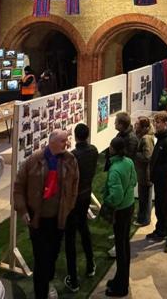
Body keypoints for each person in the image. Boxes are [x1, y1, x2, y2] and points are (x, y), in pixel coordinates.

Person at [14, 130, 79, 299]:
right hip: (38, 220)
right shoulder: (34, 160)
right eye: (64, 140)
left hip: (58, 219)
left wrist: (69, 206)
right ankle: (41, 293)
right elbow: (19, 187)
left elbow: (74, 185)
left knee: (53, 254)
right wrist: (22, 210)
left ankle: (47, 281)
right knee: (41, 259)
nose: (67, 143)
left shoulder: (70, 160)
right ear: (53, 142)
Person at [63, 124, 98, 293]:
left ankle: (73, 279)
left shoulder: (73, 156)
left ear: (75, 137)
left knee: (70, 238)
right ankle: (90, 265)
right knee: (84, 229)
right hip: (85, 195)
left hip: (74, 200)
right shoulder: (93, 150)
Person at [102, 136, 137, 298]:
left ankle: (121, 287)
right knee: (124, 245)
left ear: (113, 149)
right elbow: (134, 181)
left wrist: (107, 201)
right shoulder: (129, 162)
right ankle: (120, 279)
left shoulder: (115, 169)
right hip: (129, 206)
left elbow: (115, 196)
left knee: (121, 248)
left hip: (121, 210)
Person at [147, 112, 167, 253]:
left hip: (166, 182)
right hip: (159, 181)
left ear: (166, 123)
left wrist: (158, 173)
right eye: (155, 122)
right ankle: (160, 231)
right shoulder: (161, 138)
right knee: (159, 206)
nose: (155, 124)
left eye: (158, 122)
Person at [134, 116, 155, 226]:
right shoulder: (143, 136)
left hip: (146, 174)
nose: (135, 126)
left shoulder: (146, 138)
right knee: (143, 197)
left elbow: (147, 156)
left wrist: (135, 153)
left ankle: (144, 219)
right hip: (143, 172)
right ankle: (141, 216)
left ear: (143, 127)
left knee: (145, 198)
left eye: (137, 124)